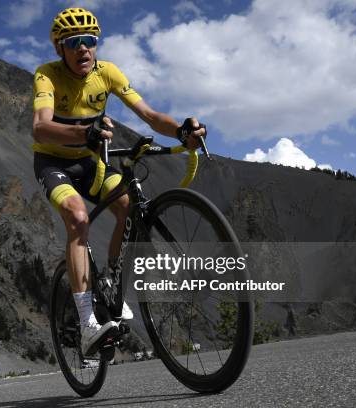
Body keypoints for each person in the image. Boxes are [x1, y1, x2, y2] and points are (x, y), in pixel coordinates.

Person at [32, 7, 206, 356]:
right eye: (74, 42)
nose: (84, 48)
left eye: (90, 41)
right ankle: (85, 324)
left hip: (91, 161)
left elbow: (150, 115)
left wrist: (181, 131)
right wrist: (84, 132)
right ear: (59, 49)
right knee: (78, 219)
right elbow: (40, 126)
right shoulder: (46, 75)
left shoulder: (107, 72)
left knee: (127, 206)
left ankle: (110, 280)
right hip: (54, 163)